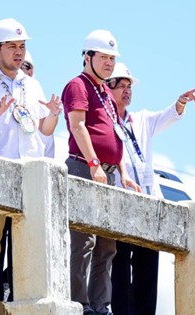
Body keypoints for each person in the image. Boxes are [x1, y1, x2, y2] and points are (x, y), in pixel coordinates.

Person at [0, 18, 62, 301]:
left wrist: (54, 113)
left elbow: (43, 129)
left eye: (22, 46)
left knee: (27, 239)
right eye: (12, 46)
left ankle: (23, 297)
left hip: (28, 172)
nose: (18, 52)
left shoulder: (32, 85)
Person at [106, 62, 195, 315]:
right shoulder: (104, 121)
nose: (126, 91)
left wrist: (180, 103)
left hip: (147, 202)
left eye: (129, 86)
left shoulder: (142, 119)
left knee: (148, 263)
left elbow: (167, 116)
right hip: (120, 201)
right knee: (121, 263)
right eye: (121, 86)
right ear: (108, 88)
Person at [61, 29, 140, 315]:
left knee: (107, 244)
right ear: (88, 57)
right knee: (83, 241)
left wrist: (124, 172)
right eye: (104, 57)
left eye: (112, 58)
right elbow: (78, 125)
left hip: (108, 173)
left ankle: (99, 305)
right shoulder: (78, 85)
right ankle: (79, 303)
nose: (109, 63)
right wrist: (94, 163)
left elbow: (114, 134)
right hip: (84, 167)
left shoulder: (106, 91)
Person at [20, 50, 55, 158]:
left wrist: (53, 114)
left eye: (21, 66)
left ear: (30, 71)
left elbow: (48, 149)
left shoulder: (42, 113)